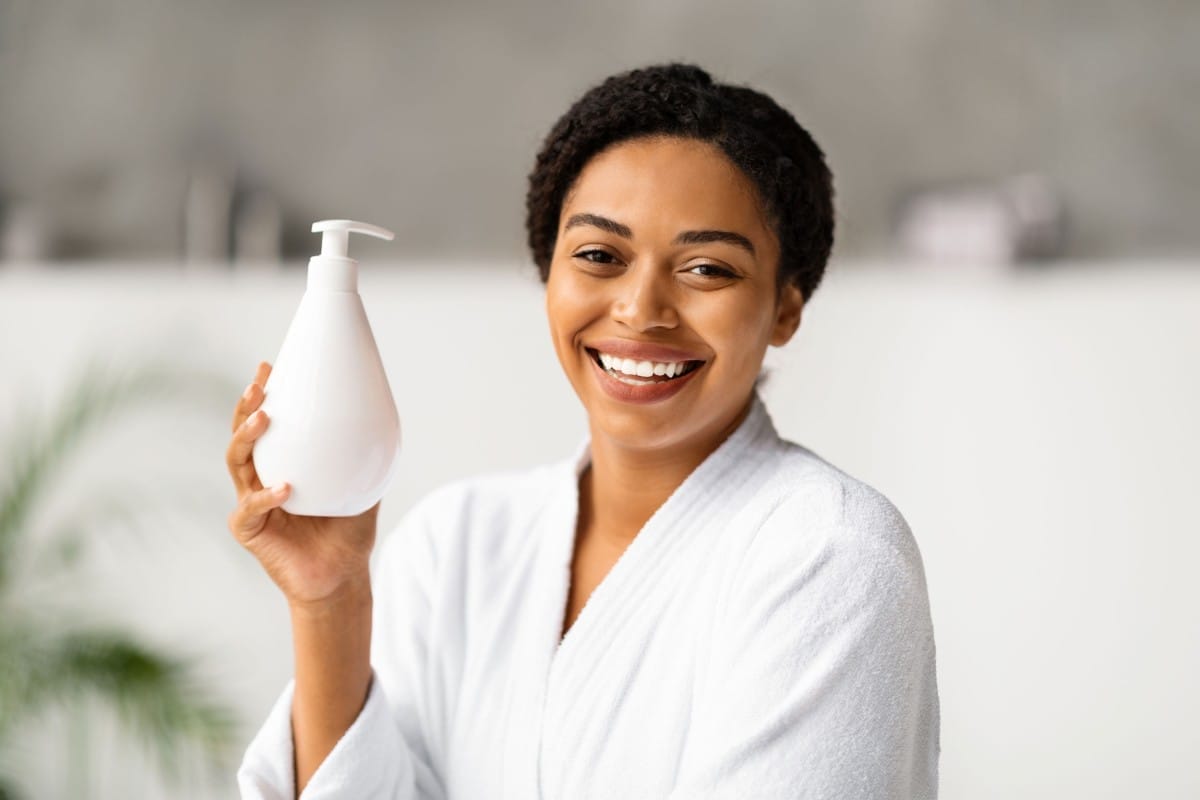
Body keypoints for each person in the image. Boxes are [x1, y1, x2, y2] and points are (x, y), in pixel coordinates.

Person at [229, 62, 940, 799]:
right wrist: (331, 602)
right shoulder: (457, 541)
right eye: (600, 256)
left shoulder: (830, 555)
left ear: (786, 307)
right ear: (551, 273)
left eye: (706, 268)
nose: (641, 309)